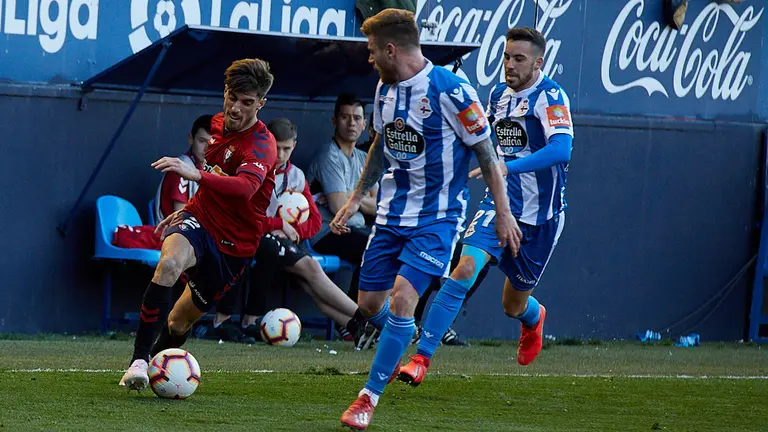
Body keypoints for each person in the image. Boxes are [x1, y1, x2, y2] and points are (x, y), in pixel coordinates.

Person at [335, 9, 522, 430]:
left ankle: (368, 397)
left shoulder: (452, 90)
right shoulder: (384, 89)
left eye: (371, 51)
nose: (368, 59)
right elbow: (381, 145)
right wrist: (357, 196)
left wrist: (503, 214)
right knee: (369, 305)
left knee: (404, 298)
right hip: (390, 215)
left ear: (390, 48)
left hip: (438, 218)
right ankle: (401, 337)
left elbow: (488, 156)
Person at [398, 27, 574, 387]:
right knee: (464, 268)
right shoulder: (497, 95)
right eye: (507, 56)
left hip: (542, 217)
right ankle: (421, 358)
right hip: (502, 202)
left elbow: (561, 150)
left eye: (519, 59)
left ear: (538, 62)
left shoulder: (551, 96)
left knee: (512, 305)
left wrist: (508, 165)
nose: (509, 64)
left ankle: (533, 317)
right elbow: (486, 140)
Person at [119, 58, 279, 391]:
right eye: (232, 97)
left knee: (179, 321)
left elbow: (244, 189)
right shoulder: (218, 126)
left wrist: (196, 174)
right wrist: (188, 207)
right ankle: (138, 361)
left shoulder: (262, 146)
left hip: (234, 246)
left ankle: (158, 371)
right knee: (169, 264)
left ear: (260, 104)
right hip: (200, 220)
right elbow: (218, 182)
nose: (235, 108)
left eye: (246, 102)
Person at [213, 117, 366, 342]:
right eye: (277, 148)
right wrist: (278, 224)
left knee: (310, 272)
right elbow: (243, 217)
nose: (282, 155)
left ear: (294, 145)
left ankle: (358, 325)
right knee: (290, 259)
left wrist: (291, 231)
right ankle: (366, 320)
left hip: (283, 241)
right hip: (246, 238)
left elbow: (314, 221)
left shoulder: (296, 175)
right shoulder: (251, 169)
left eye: (287, 149)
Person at [307, 93, 378, 341]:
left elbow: (378, 205)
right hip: (327, 231)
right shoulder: (329, 154)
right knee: (371, 249)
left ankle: (366, 320)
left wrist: (351, 199)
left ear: (365, 124)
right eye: (345, 117)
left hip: (356, 230)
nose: (351, 123)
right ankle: (353, 322)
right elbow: (339, 206)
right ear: (334, 120)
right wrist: (354, 200)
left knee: (382, 248)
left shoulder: (363, 157)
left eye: (356, 118)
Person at [154, 114, 213, 222]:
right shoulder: (180, 169)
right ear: (191, 139)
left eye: (212, 142)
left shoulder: (214, 169)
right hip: (172, 234)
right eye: (202, 141)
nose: (207, 148)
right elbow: (182, 219)